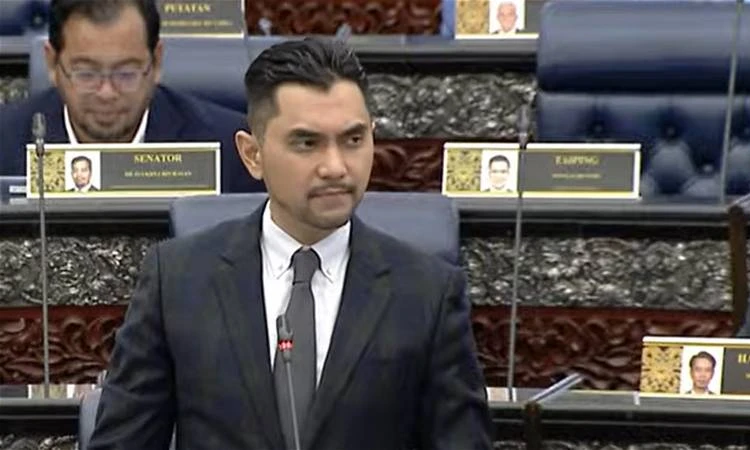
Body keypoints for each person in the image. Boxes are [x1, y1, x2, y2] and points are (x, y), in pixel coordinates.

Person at [89, 37, 493, 449]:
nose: (335, 167)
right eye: (307, 143)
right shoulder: (178, 281)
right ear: (253, 154)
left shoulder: (428, 294)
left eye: (353, 140)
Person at [0, 0, 262, 194]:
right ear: (52, 63)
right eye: (86, 73)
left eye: (126, 73)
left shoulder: (232, 150)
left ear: (156, 62)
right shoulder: (5, 142)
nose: (107, 92)